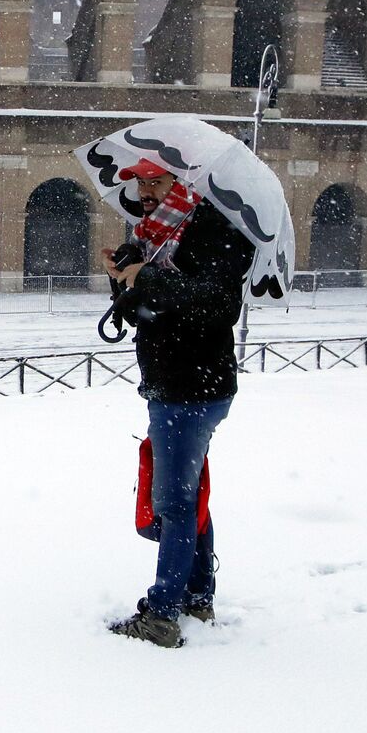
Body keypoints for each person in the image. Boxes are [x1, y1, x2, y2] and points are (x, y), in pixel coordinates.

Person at [99, 158, 252, 648]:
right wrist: (123, 274)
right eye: (140, 182)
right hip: (174, 384)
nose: (144, 190)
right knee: (188, 496)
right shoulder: (153, 233)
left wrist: (148, 277)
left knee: (174, 504)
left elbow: (219, 304)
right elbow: (147, 308)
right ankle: (198, 596)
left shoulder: (213, 228)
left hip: (192, 387)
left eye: (155, 180)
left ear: (183, 182)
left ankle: (163, 616)